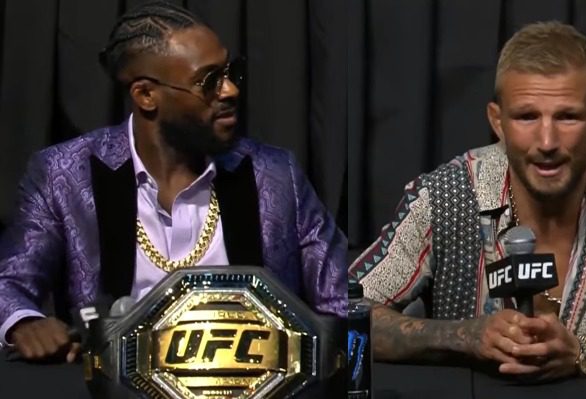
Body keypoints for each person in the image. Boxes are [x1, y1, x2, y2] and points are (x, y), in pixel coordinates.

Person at [0, 1, 346, 363]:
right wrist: (25, 323)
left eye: (231, 73)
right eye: (208, 81)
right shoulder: (64, 174)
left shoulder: (274, 174)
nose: (229, 90)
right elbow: (10, 281)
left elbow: (339, 298)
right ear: (146, 96)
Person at [349, 21, 586, 380]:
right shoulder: (444, 197)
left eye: (568, 116)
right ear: (497, 121)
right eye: (527, 116)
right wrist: (464, 336)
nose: (547, 142)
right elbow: (343, 312)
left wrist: (584, 351)